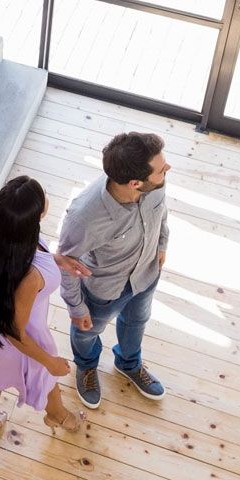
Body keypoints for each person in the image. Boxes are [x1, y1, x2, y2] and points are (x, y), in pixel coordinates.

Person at [0, 175, 93, 435]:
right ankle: (59, 416)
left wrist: (54, 260)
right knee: (46, 378)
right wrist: (49, 361)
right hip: (23, 338)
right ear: (39, 215)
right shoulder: (30, 276)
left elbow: (25, 257)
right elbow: (15, 333)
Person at [57, 131, 172, 410]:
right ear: (134, 183)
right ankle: (85, 367)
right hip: (105, 289)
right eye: (161, 168)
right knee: (87, 332)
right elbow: (67, 264)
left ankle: (129, 363)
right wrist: (76, 308)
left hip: (146, 275)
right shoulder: (85, 217)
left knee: (137, 322)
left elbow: (162, 214)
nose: (167, 169)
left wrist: (162, 245)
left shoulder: (154, 184)